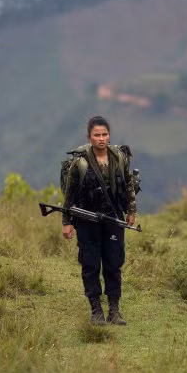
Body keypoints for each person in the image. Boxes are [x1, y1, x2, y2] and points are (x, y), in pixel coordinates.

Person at [61, 115, 138, 324]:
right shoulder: (80, 162)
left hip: (114, 218)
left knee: (114, 263)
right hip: (87, 220)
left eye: (104, 134)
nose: (101, 139)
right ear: (89, 137)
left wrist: (131, 210)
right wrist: (66, 222)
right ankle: (96, 310)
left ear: (109, 135)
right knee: (91, 264)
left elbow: (129, 183)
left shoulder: (119, 157)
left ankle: (114, 310)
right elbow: (70, 193)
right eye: (97, 135)